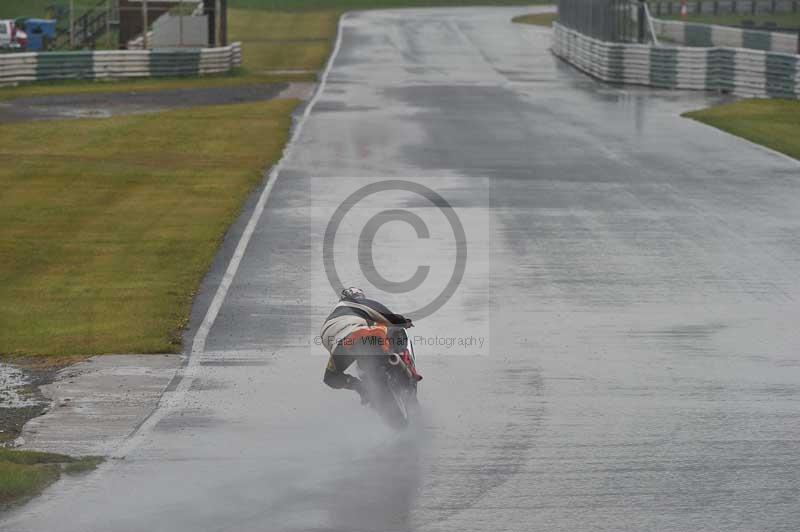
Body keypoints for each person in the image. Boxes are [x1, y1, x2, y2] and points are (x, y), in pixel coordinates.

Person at [320, 287, 413, 403]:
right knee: (396, 329)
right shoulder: (352, 303)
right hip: (359, 337)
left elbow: (330, 379)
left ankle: (362, 388)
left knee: (331, 377)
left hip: (341, 346)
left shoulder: (333, 317)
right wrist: (402, 321)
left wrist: (357, 386)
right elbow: (384, 314)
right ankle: (403, 359)